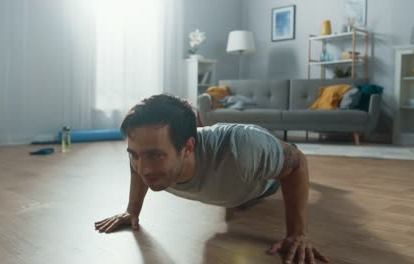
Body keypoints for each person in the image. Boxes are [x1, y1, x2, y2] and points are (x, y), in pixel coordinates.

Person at [94, 94, 330, 264]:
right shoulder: (143, 156)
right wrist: (132, 210)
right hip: (232, 189)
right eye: (135, 155)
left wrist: (297, 233)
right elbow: (136, 168)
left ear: (187, 147)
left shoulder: (242, 149)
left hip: (263, 183)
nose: (143, 169)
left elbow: (297, 162)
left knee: (280, 163)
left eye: (155, 155)